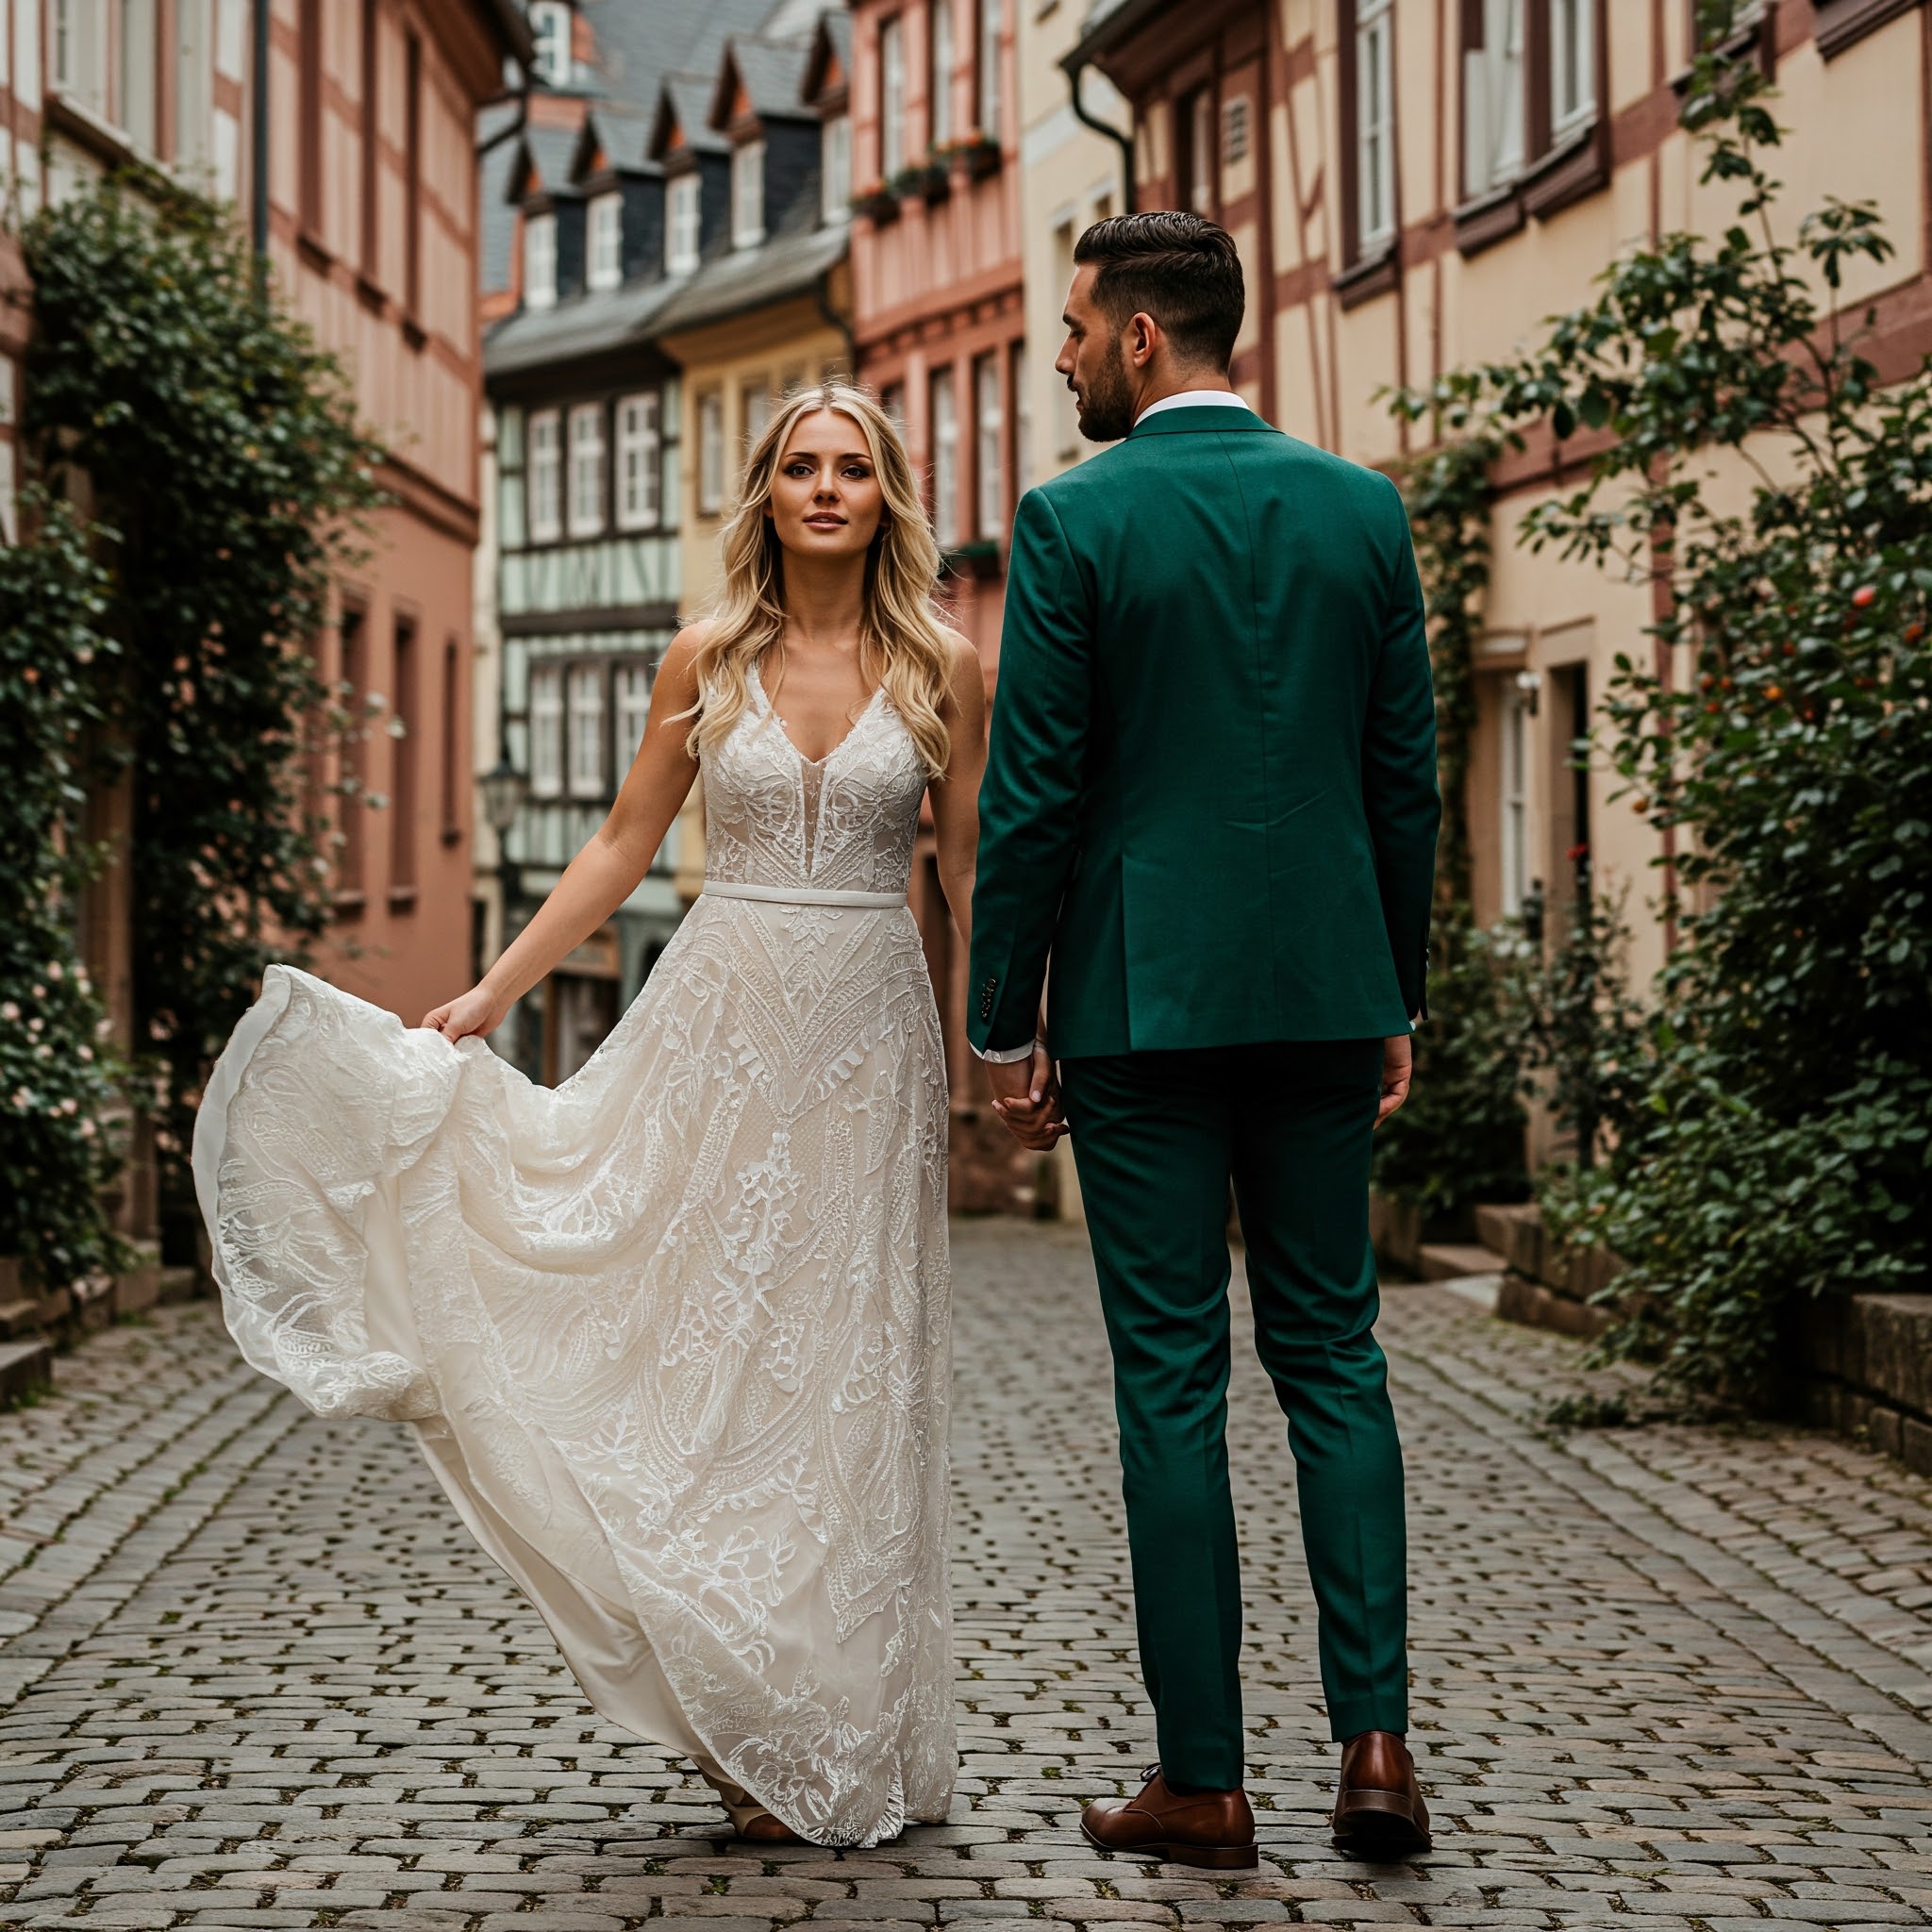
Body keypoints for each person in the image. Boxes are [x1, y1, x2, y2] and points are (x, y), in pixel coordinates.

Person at [192, 383, 985, 1850]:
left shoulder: (944, 666)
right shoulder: (707, 656)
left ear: (886, 497)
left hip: (870, 1042)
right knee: (704, 1345)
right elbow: (624, 842)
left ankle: (835, 1714)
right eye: (800, 467)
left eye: (852, 469)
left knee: (845, 1369)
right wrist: (493, 992)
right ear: (767, 493)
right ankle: (737, 1694)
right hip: (721, 1025)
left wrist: (995, 1041)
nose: (825, 488)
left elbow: (965, 871)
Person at [970, 212, 1441, 1864]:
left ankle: (1206, 1782)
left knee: (1171, 1382)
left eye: (1075, 328)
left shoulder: (1074, 517)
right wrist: (1395, 988)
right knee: (1336, 1359)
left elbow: (1034, 792)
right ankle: (1376, 1750)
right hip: (1324, 996)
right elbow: (1402, 777)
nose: (1061, 356)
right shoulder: (1363, 510)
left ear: (1141, 337)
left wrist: (1003, 1019)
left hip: (1141, 1005)